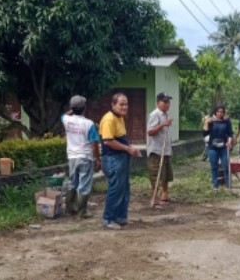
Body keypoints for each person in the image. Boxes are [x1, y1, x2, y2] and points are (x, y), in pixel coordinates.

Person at [99, 93, 141, 230]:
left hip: (121, 158)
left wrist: (130, 149)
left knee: (124, 188)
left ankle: (120, 217)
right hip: (112, 159)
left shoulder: (120, 118)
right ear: (113, 105)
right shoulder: (108, 119)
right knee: (116, 189)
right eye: (121, 104)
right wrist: (127, 149)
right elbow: (108, 141)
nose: (124, 107)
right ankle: (108, 218)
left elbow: (121, 138)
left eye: (126, 104)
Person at [61, 95, 101, 219]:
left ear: (72, 107)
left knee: (73, 182)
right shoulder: (89, 124)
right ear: (84, 107)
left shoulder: (66, 119)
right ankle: (81, 212)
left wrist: (73, 108)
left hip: (72, 157)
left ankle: (69, 208)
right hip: (85, 157)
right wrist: (98, 159)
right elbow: (95, 143)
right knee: (84, 184)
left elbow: (65, 114)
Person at [147, 92, 174, 207]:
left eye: (168, 101)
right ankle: (154, 197)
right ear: (158, 103)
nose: (167, 104)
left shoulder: (165, 115)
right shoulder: (155, 115)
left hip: (165, 150)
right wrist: (162, 125)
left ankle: (165, 194)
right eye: (165, 102)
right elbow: (150, 132)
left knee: (166, 174)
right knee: (156, 173)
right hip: (157, 151)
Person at [203, 105, 233, 191]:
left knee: (226, 166)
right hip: (213, 147)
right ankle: (215, 186)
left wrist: (229, 141)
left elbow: (230, 133)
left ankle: (228, 185)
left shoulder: (226, 121)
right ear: (215, 112)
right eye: (218, 112)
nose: (220, 113)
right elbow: (204, 133)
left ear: (223, 113)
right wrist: (206, 122)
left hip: (223, 147)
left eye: (221, 112)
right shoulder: (211, 121)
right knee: (214, 166)